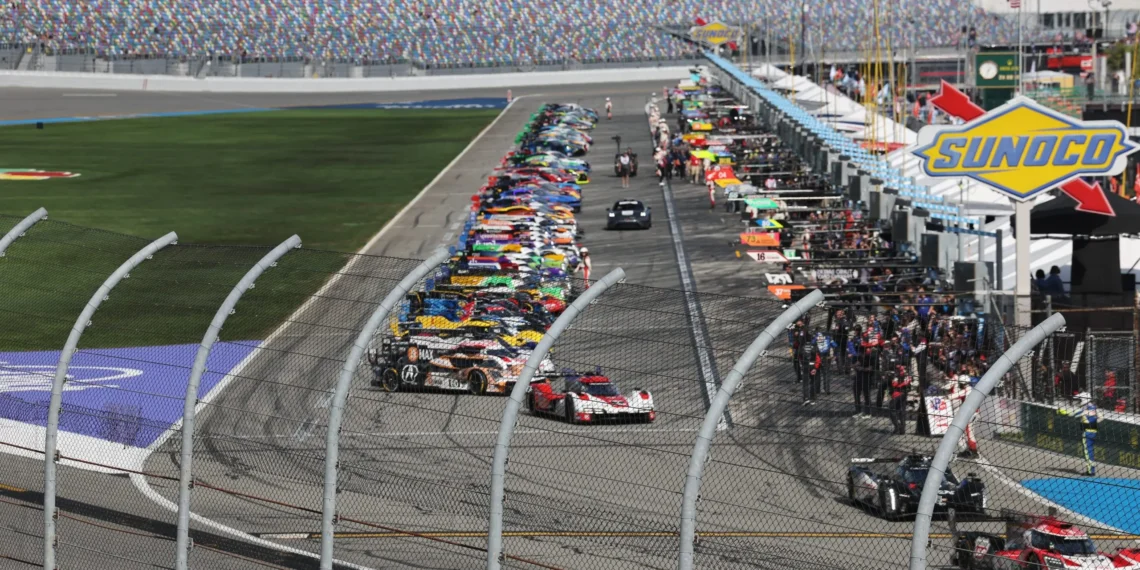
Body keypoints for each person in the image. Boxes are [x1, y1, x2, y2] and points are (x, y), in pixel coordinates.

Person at [1058, 392, 1098, 476]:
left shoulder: (1085, 409)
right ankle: (1091, 469)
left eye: (1080, 400)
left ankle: (1090, 471)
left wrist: (1061, 411)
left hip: (1087, 432)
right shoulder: (1093, 407)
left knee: (1087, 452)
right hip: (1093, 431)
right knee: (1090, 451)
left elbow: (1072, 414)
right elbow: (1100, 417)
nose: (1079, 402)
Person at [949, 374, 978, 457]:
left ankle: (973, 450)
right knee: (970, 431)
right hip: (975, 412)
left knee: (969, 432)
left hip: (970, 413)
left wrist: (945, 397)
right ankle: (970, 450)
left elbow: (954, 396)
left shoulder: (966, 390)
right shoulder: (973, 389)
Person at [889, 365, 911, 435]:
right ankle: (902, 429)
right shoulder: (906, 376)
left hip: (897, 395)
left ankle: (898, 427)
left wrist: (899, 382)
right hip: (903, 395)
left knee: (893, 411)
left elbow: (894, 384)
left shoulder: (899, 376)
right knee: (901, 411)